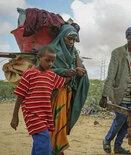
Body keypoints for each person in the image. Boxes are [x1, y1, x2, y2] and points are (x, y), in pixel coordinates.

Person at [10, 45, 71, 155]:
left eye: (53, 61)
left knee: (39, 143)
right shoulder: (29, 74)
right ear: (38, 58)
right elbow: (20, 95)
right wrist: (15, 116)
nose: (50, 64)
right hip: (31, 113)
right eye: (47, 60)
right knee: (44, 141)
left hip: (45, 115)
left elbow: (64, 81)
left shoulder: (51, 75)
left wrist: (74, 73)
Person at [99, 27, 131, 154]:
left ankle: (118, 147)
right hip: (119, 93)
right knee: (121, 118)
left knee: (127, 122)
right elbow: (111, 75)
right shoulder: (117, 52)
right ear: (127, 36)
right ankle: (107, 140)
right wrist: (104, 95)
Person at [48, 24, 90, 154]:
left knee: (61, 122)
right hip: (55, 93)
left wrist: (76, 55)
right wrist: (64, 71)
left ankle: (56, 150)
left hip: (67, 93)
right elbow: (45, 70)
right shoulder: (52, 51)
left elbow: (81, 72)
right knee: (54, 122)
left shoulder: (72, 52)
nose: (71, 42)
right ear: (62, 37)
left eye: (74, 39)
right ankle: (52, 149)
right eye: (69, 39)